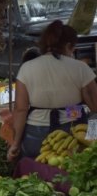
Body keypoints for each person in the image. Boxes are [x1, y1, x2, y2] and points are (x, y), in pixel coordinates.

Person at [7, 21, 97, 161]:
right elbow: (95, 107)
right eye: (73, 49)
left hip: (35, 135)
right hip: (72, 134)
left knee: (35, 175)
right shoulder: (80, 68)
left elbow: (20, 109)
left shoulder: (27, 68)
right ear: (68, 46)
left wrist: (15, 144)